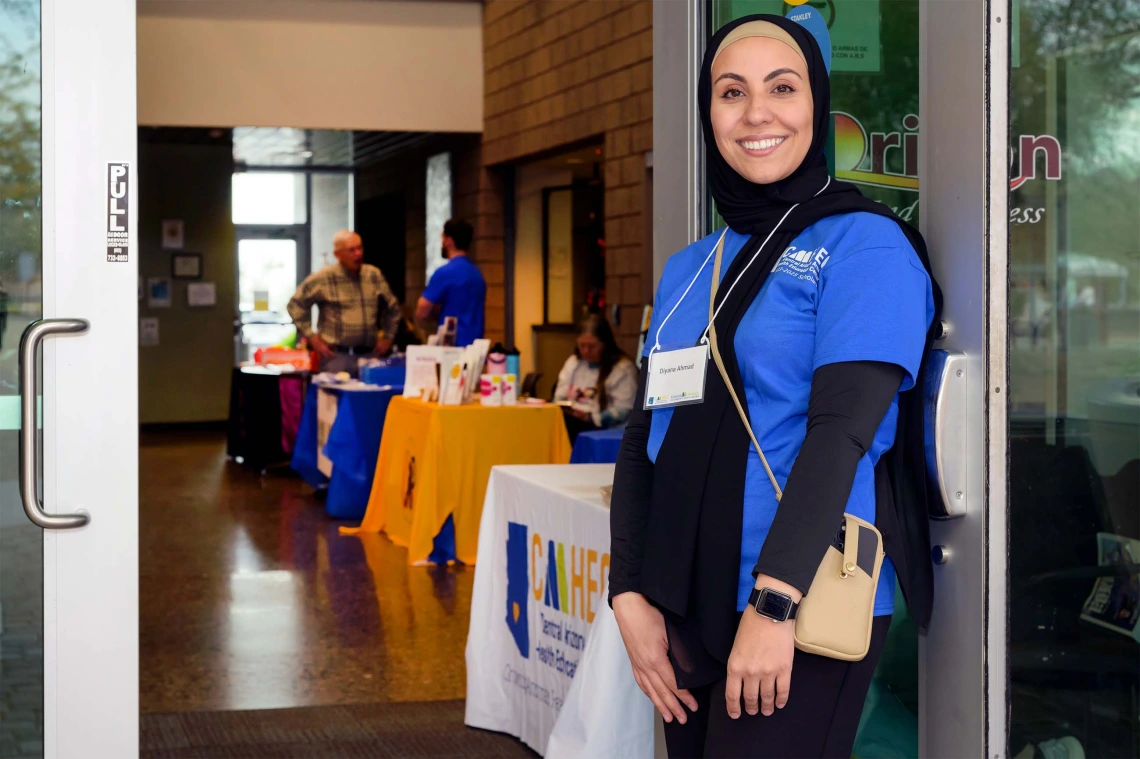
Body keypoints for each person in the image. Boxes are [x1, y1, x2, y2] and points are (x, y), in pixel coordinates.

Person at [607, 16, 942, 759]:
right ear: (709, 112)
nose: (757, 113)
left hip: (799, 598)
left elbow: (844, 435)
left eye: (782, 88)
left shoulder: (866, 245)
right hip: (682, 598)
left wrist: (773, 601)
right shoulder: (692, 264)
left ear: (816, 105)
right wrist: (627, 589)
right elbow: (645, 435)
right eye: (732, 92)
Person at [287, 230, 402, 374]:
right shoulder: (323, 277)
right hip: (336, 358)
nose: (358, 254)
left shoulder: (373, 275)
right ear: (337, 255)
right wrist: (312, 338)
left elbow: (394, 309)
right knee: (333, 396)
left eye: (360, 248)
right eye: (351, 250)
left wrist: (388, 338)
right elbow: (295, 305)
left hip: (369, 356)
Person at [554, 314, 638, 444]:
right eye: (582, 345)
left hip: (606, 431)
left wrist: (590, 418)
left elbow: (624, 409)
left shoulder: (622, 368)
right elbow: (559, 397)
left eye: (592, 346)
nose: (586, 351)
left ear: (605, 344)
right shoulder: (574, 362)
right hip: (574, 425)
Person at [415, 218, 486, 346]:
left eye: (443, 238)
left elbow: (421, 311)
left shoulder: (445, 273)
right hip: (475, 349)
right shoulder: (477, 275)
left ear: (449, 241)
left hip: (451, 350)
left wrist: (436, 311)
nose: (441, 243)